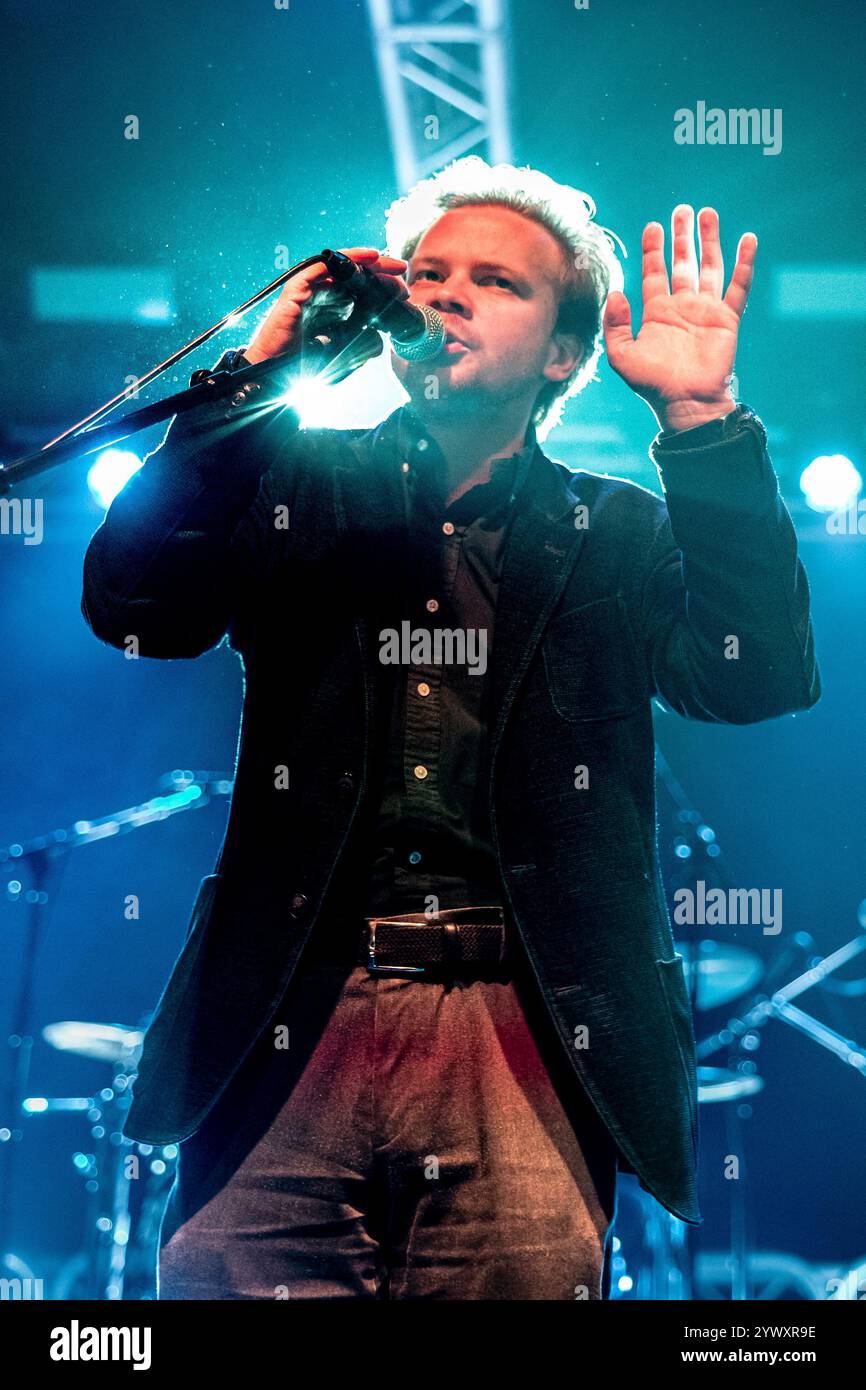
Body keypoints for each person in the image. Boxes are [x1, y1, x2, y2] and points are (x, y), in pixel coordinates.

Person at [81, 156, 820, 1300]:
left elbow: (755, 674)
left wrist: (697, 417)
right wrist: (258, 373)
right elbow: (136, 607)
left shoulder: (612, 533)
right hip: (289, 1016)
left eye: (495, 280)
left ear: (565, 352)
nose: (446, 294)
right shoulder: (296, 486)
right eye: (426, 273)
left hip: (517, 1034)